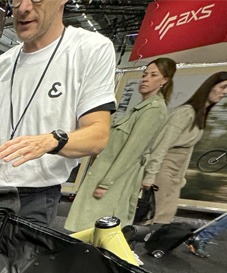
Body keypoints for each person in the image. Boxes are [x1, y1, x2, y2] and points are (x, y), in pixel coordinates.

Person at [0, 0, 116, 226]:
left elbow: (98, 135)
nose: (23, 8)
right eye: (16, 0)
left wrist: (50, 141)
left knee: (23, 261)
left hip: (35, 198)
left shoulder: (89, 50)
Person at [65, 58, 177, 231]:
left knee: (96, 230)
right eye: (145, 74)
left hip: (114, 180)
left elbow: (132, 152)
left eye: (154, 75)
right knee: (88, 229)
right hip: (106, 174)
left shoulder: (154, 110)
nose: (145, 79)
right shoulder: (142, 108)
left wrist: (106, 183)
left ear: (165, 80)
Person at [141, 71, 227, 225]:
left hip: (173, 174)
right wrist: (150, 175)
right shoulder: (186, 113)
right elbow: (162, 144)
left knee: (162, 217)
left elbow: (187, 152)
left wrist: (180, 177)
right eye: (223, 87)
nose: (225, 92)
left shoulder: (199, 115)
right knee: (154, 217)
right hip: (163, 170)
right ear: (210, 86)